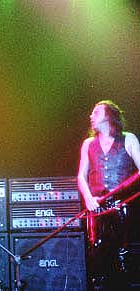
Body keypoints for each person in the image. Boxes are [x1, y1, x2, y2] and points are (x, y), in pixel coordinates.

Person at [77, 100, 140, 290]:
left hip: (123, 206)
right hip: (97, 208)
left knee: (123, 253)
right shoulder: (88, 144)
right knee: (97, 253)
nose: (91, 116)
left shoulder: (128, 139)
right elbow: (81, 175)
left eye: (96, 112)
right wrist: (88, 198)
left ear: (108, 115)